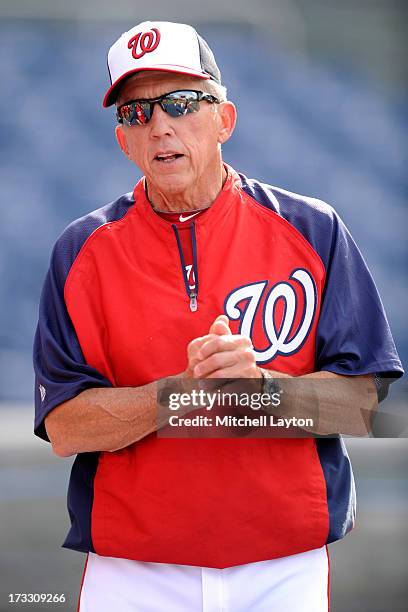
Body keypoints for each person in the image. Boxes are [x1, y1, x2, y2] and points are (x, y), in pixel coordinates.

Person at [33, 20, 403, 612]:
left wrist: (257, 391)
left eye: (180, 102)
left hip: (282, 565)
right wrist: (181, 397)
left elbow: (361, 405)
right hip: (134, 570)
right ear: (122, 141)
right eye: (136, 113)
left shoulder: (313, 230)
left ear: (224, 120)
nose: (159, 126)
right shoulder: (82, 251)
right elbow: (65, 426)